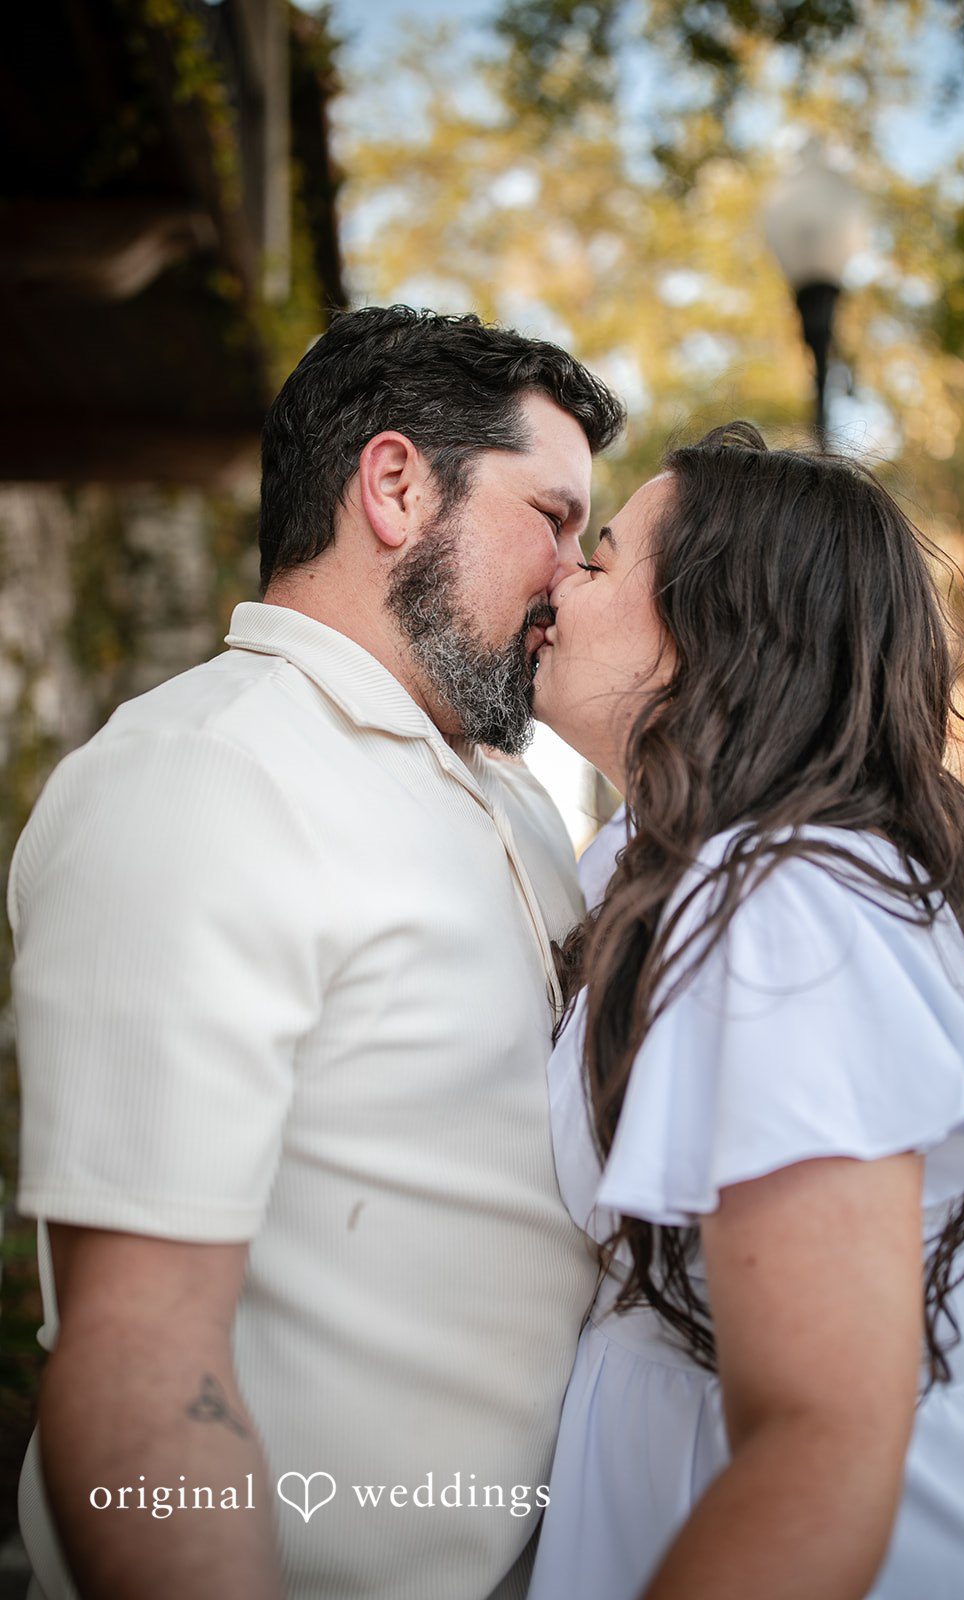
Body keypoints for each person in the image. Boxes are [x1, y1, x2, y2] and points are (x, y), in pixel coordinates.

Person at [10, 305, 624, 1600]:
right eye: (553, 519)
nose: (572, 577)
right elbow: (140, 1358)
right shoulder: (203, 778)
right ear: (395, 486)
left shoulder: (512, 798)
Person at [525, 421, 964, 1600]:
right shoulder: (704, 876)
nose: (557, 574)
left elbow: (821, 1440)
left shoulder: (783, 906)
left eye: (601, 558)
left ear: (715, 632)